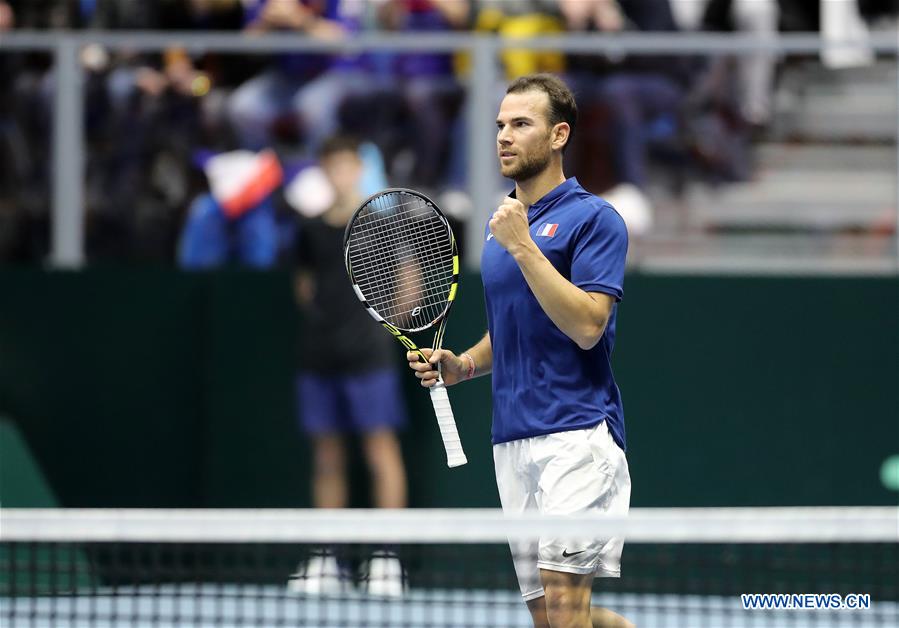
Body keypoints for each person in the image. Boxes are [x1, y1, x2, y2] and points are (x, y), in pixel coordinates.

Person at [408, 74, 633, 628]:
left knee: (565, 606)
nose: (504, 136)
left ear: (558, 135)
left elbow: (588, 325)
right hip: (511, 439)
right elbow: (512, 328)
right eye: (501, 125)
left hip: (576, 434)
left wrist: (525, 246)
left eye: (521, 124)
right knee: (549, 618)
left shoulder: (594, 219)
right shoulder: (501, 227)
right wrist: (464, 364)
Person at [288, 135, 408, 597]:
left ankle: (386, 559)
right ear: (323, 169)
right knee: (327, 457)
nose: (339, 173)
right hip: (319, 356)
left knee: (380, 453)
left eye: (346, 165)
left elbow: (409, 283)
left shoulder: (381, 225)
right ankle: (327, 558)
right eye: (331, 165)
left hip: (369, 357)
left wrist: (381, 330)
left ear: (358, 168)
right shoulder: (310, 230)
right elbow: (303, 287)